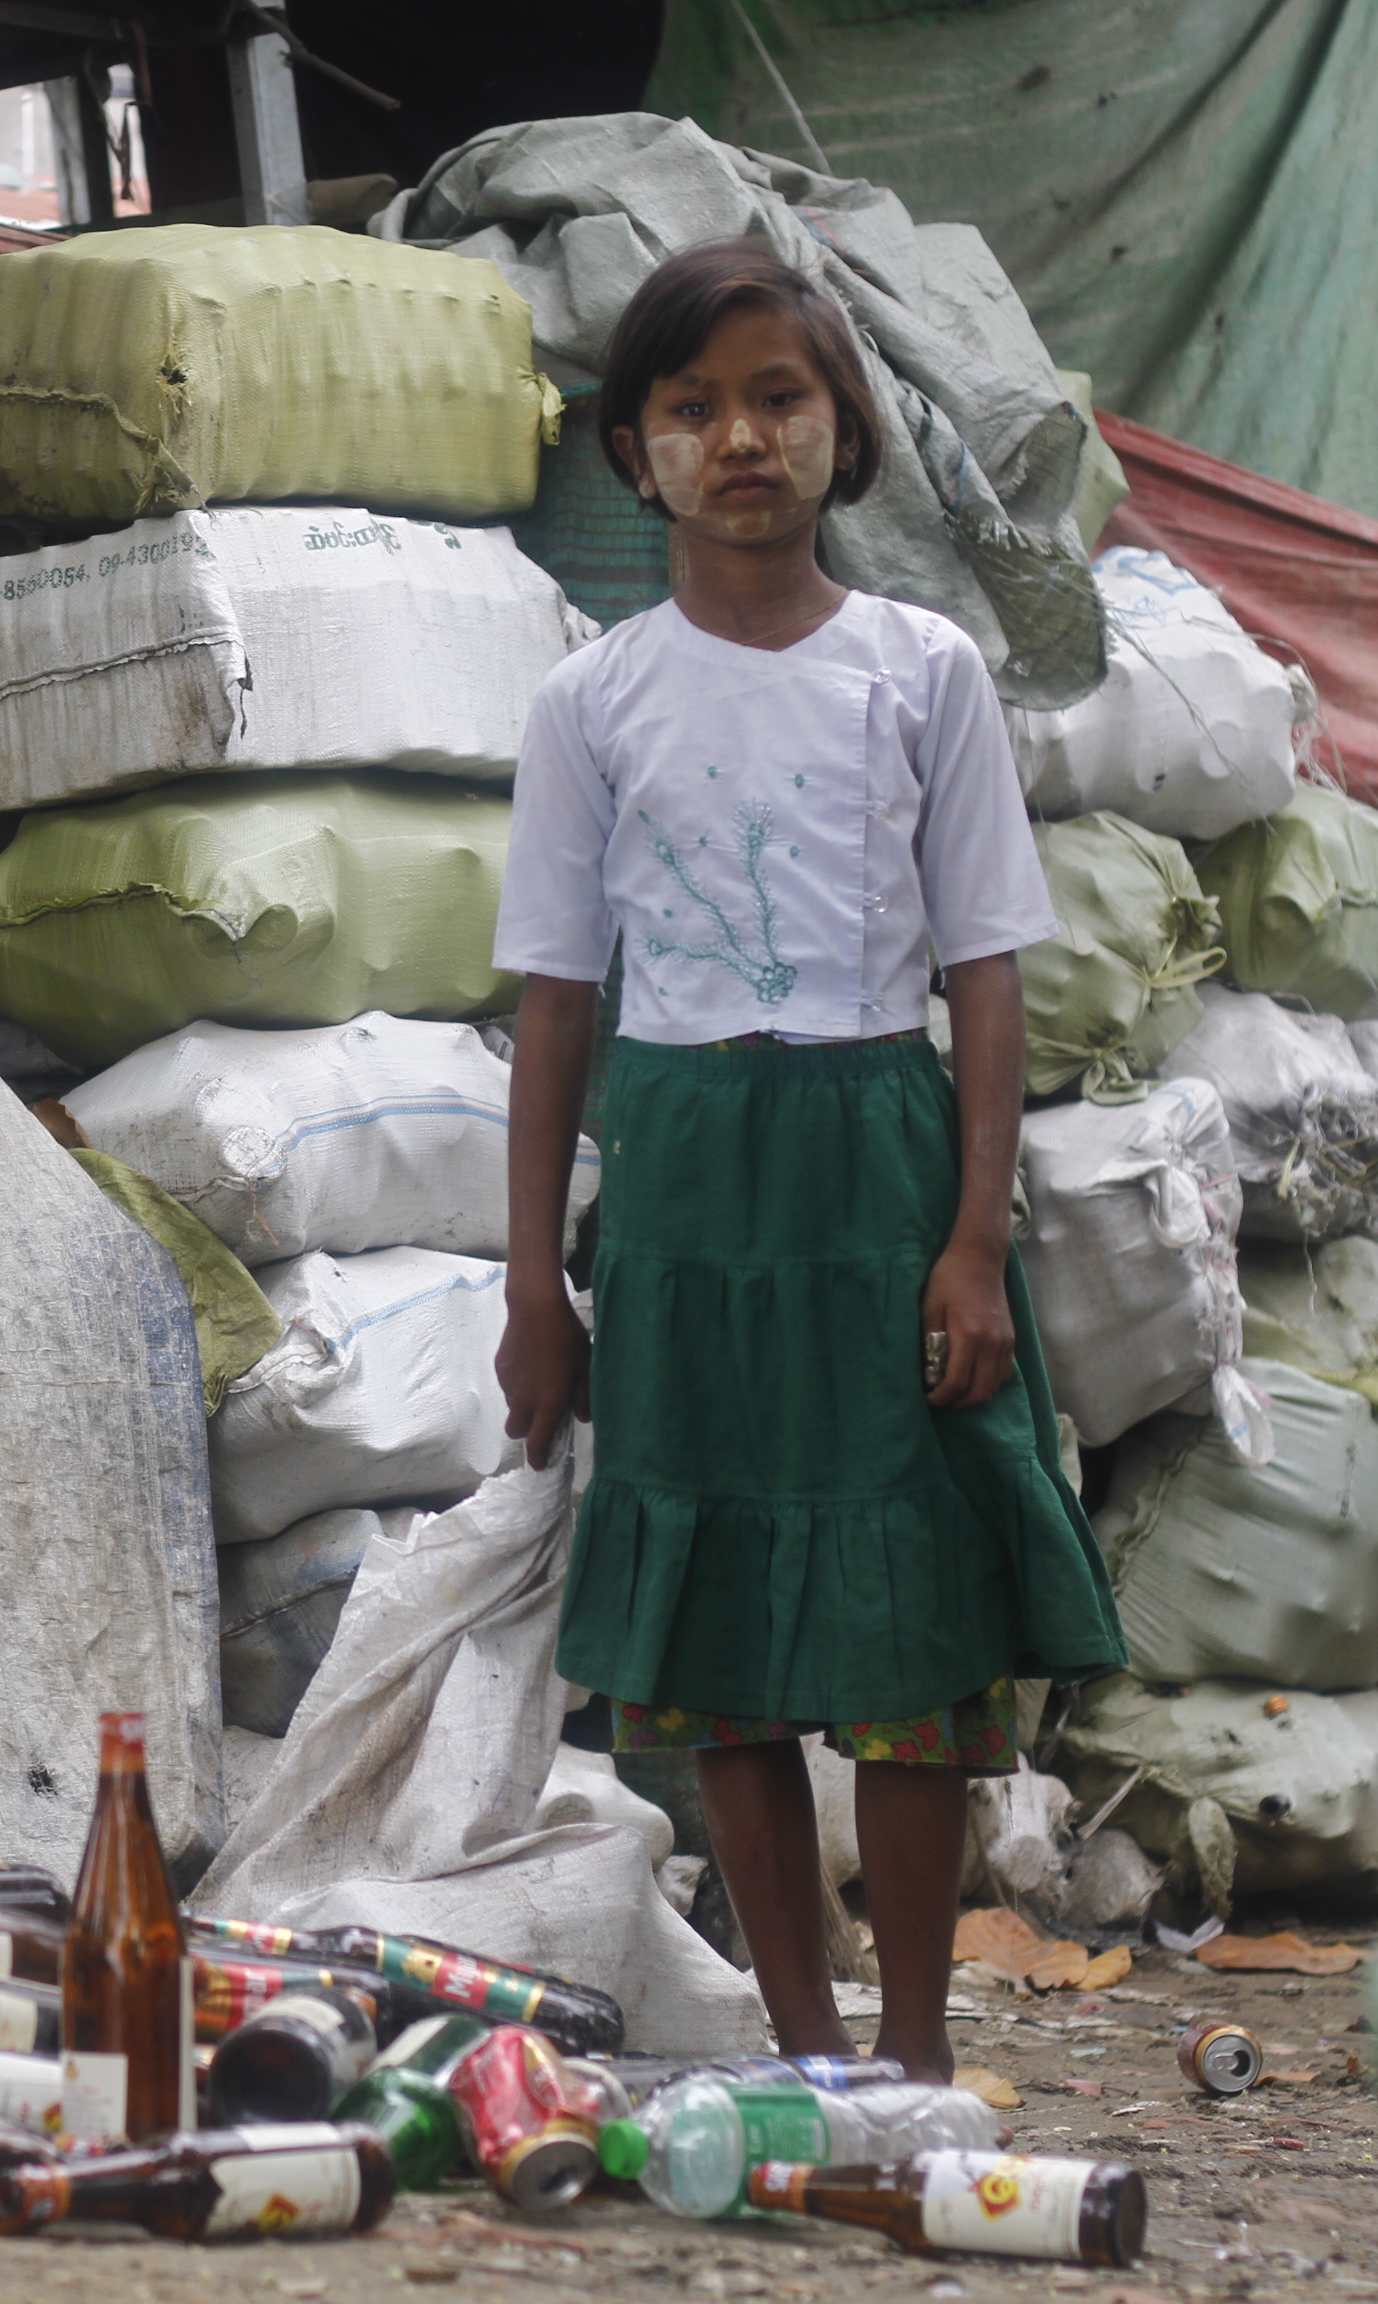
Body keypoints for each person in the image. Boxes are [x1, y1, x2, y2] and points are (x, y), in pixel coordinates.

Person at [488, 241, 1126, 2082]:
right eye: (691, 407)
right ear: (633, 453)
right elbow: (554, 1012)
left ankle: (915, 2059)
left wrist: (974, 1241)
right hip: (682, 1182)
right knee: (718, 1665)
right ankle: (807, 2056)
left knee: (912, 1631)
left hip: (878, 1158)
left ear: (845, 432)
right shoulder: (588, 702)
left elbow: (987, 971)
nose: (739, 437)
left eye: (778, 397)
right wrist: (538, 1282)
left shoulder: (922, 673)